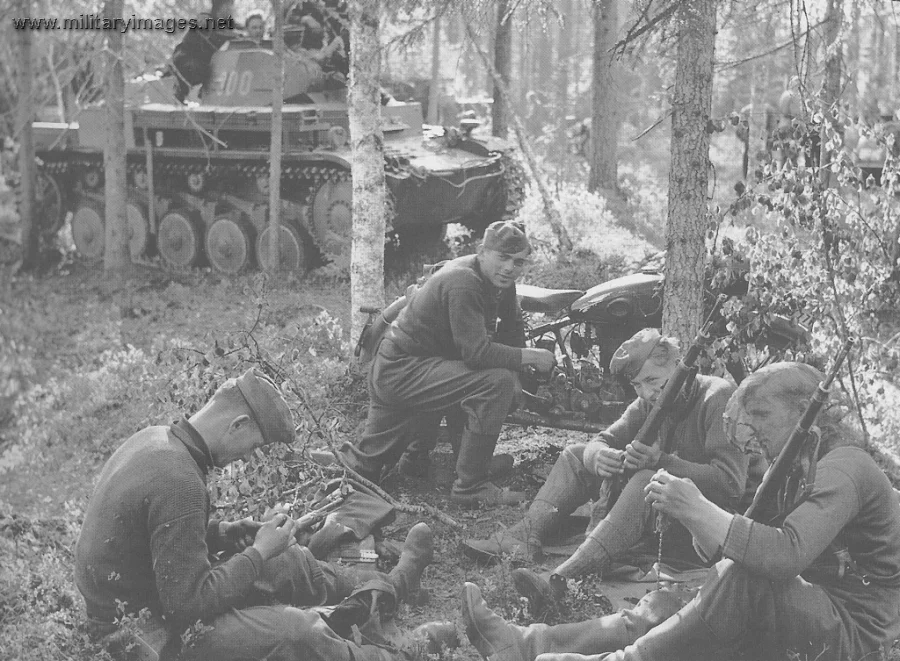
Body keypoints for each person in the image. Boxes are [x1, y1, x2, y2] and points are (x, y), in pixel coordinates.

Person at [462, 362, 900, 661]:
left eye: (762, 415)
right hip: (807, 608)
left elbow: (784, 555)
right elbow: (745, 551)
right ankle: (525, 643)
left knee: (734, 582)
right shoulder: (799, 468)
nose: (752, 432)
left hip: (855, 633)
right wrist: (696, 520)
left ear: (804, 415)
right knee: (675, 601)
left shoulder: (846, 466)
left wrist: (701, 510)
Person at [74, 367, 435, 661]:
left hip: (153, 599)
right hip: (142, 638)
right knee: (297, 631)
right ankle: (403, 654)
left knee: (290, 561)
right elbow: (188, 607)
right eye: (255, 445)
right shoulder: (179, 480)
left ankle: (394, 587)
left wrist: (224, 531)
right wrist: (258, 552)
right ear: (238, 424)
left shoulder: (157, 440)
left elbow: (151, 537)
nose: (249, 456)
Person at [463, 328, 748, 614]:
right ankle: (524, 535)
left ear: (678, 367)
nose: (647, 393)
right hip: (669, 517)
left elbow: (730, 484)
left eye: (652, 381)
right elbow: (602, 440)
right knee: (576, 454)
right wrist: (598, 456)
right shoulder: (648, 402)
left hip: (709, 531)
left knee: (647, 480)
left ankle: (560, 579)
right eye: (637, 385)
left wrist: (660, 461)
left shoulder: (717, 396)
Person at [339, 221, 557, 507]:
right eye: (502, 257)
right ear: (482, 252)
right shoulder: (464, 281)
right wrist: (532, 357)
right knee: (494, 382)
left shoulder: (498, 280)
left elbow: (512, 327)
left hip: (419, 367)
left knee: (372, 461)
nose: (509, 268)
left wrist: (517, 372)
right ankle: (470, 486)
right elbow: (476, 354)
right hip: (401, 371)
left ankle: (444, 461)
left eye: (518, 262)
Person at [171, 0, 236, 103]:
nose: (231, 8)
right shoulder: (205, 21)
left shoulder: (227, 25)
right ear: (222, 6)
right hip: (192, 67)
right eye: (229, 5)